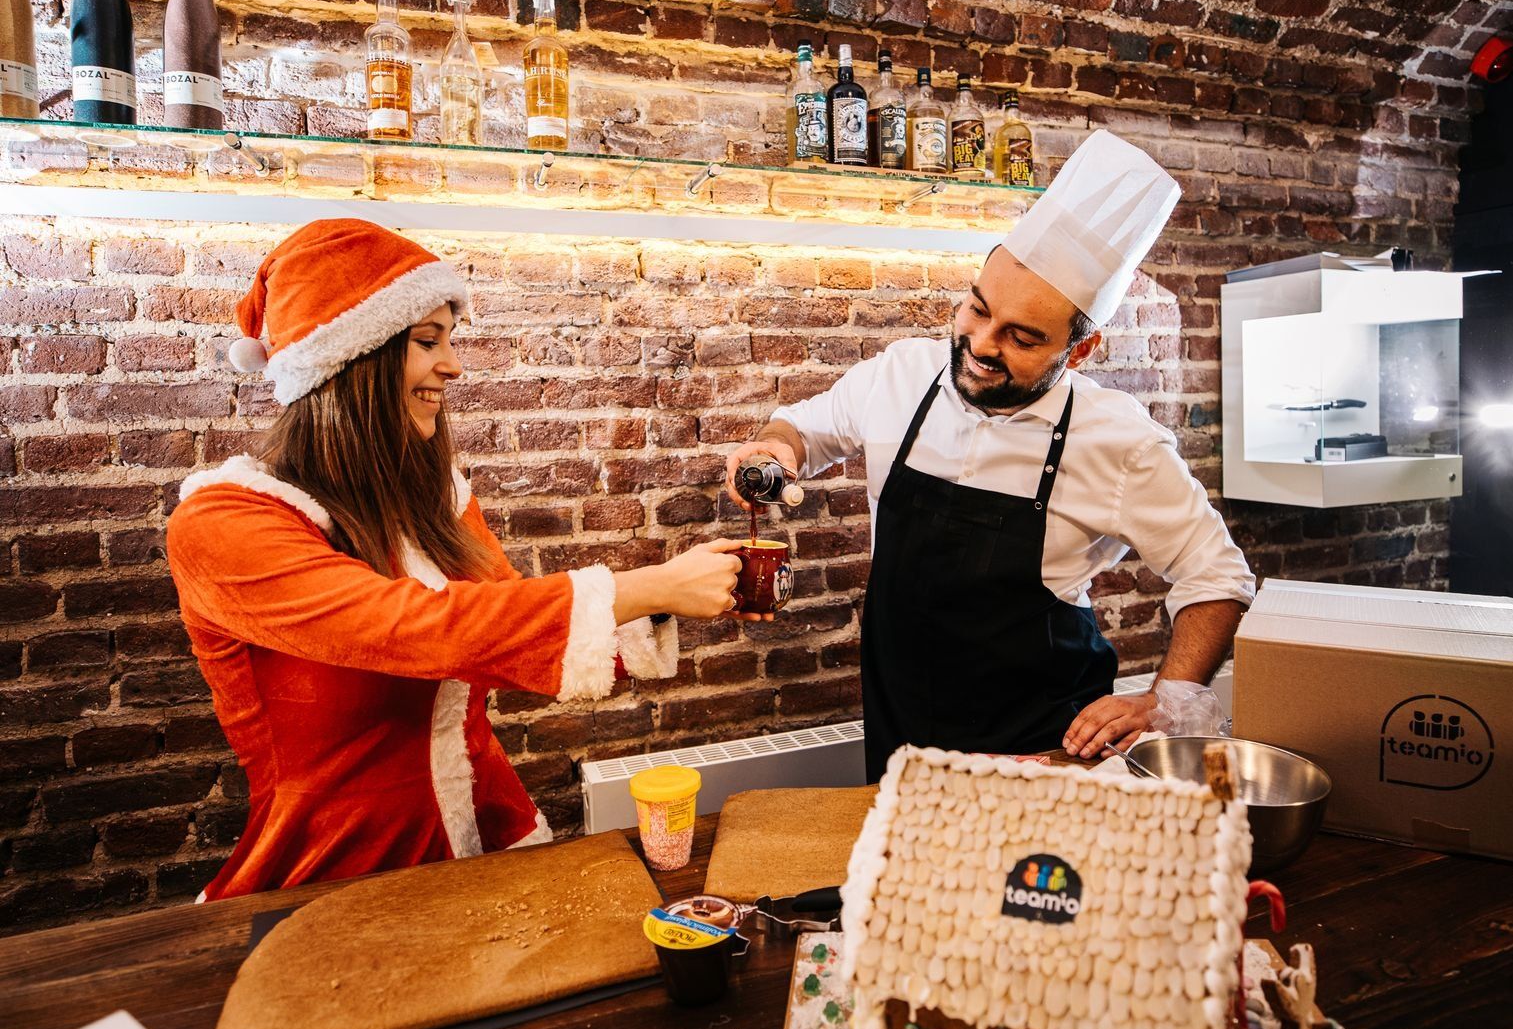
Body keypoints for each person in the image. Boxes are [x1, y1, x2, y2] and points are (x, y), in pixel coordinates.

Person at [166, 219, 744, 899]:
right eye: (427, 342)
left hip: (482, 837)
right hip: (337, 874)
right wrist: (652, 586)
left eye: (451, 341)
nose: (453, 366)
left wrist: (682, 597)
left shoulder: (433, 503)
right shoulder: (224, 522)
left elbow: (502, 632)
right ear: (352, 359)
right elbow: (413, 627)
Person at [725, 131, 1256, 780]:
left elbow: (1218, 577)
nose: (980, 343)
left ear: (1079, 351)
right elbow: (805, 432)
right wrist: (775, 449)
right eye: (977, 309)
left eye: (1021, 337)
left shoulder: (1117, 441)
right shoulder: (901, 376)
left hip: (1047, 756)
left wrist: (1168, 701)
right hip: (902, 738)